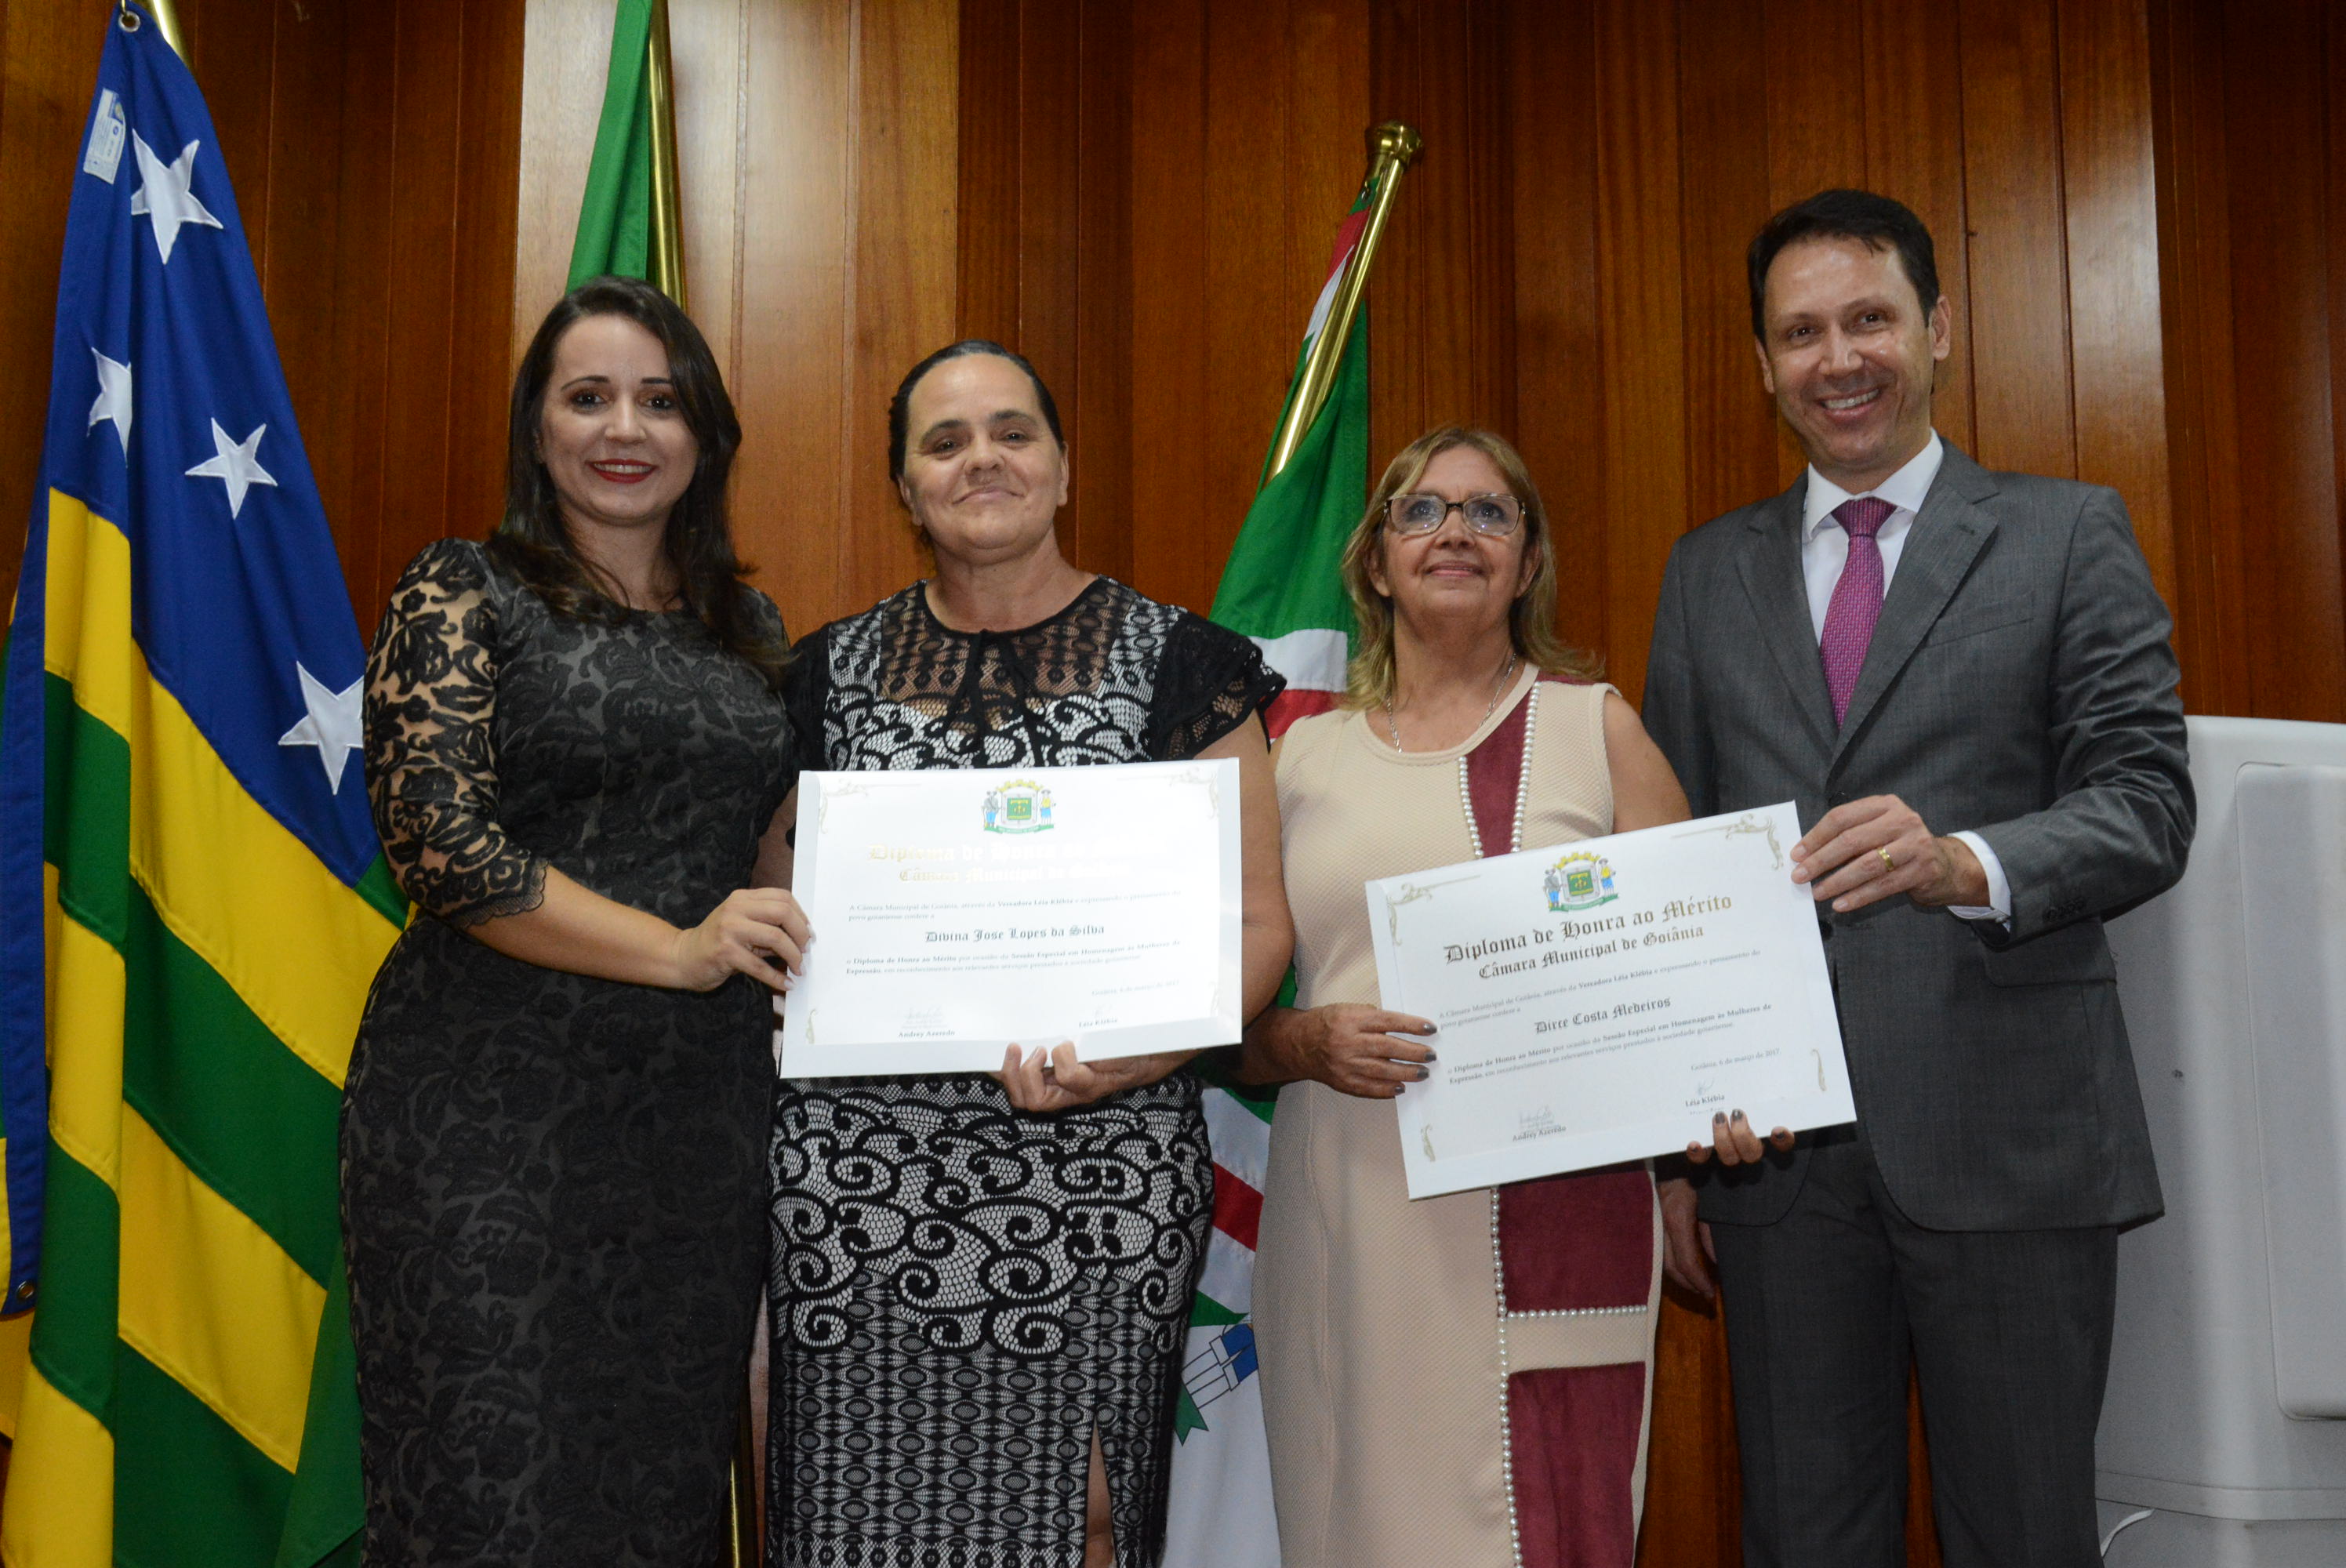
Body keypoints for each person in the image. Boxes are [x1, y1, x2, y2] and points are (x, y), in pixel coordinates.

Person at [1642, 190, 2194, 1567]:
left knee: (2023, 1537)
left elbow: (2147, 802)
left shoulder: (2068, 533)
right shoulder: (1704, 574)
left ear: (1938, 328)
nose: (1839, 359)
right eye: (1802, 333)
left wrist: (1963, 863)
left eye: (1870, 319)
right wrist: (1672, 1153)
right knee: (1803, 1539)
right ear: (1764, 362)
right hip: (1776, 1165)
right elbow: (1676, 862)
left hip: (2010, 1142)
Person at [767, 340, 1294, 1568]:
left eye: (1013, 432)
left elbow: (1258, 926)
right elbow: (778, 901)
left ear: (1063, 469)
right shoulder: (825, 676)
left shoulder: (1184, 663)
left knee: (1082, 1518)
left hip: (1106, 1158)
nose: (982, 459)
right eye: (944, 441)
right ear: (905, 489)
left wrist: (1134, 1057)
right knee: (862, 1517)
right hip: (858, 1177)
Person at [343, 276, 806, 1565]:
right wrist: (680, 950)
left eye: (660, 401)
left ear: (704, 433)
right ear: (537, 427)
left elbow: (770, 848)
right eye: (588, 397)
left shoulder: (748, 626)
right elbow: (440, 847)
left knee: (657, 1496)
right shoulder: (463, 590)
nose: (625, 429)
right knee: (488, 1493)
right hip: (486, 1112)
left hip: (695, 1123)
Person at [1240, 426, 1761, 1568]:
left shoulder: (1595, 728)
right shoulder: (1296, 759)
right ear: (1376, 562)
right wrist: (1304, 1041)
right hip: (1348, 1222)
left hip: (1553, 1224)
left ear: (1528, 562)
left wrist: (1715, 1117)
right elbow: (1225, 1031)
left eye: (1490, 512)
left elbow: (1702, 985)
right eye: (1421, 511)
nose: (1455, 533)